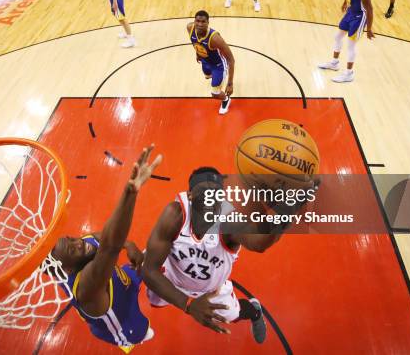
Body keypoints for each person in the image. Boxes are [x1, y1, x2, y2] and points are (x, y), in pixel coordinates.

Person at [143, 167, 288, 341]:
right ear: (190, 196)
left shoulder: (229, 221)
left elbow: (259, 243)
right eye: (203, 193)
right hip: (171, 279)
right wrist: (187, 304)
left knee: (234, 314)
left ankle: (255, 312)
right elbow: (150, 270)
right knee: (138, 267)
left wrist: (285, 209)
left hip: (211, 289)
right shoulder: (175, 214)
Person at [52, 145, 162, 352]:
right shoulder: (87, 288)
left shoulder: (81, 247)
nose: (80, 243)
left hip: (119, 280)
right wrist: (130, 192)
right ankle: (134, 339)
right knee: (144, 331)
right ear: (67, 269)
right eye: (73, 249)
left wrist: (128, 244)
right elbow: (110, 246)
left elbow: (100, 237)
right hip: (124, 323)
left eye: (72, 239)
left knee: (140, 268)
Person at [318, 0, 375, 83]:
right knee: (337, 37)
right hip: (350, 12)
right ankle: (334, 63)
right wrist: (345, 2)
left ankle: (349, 74)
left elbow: (370, 9)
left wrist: (369, 29)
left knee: (351, 45)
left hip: (359, 17)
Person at [187, 10, 235, 114]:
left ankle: (226, 99)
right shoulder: (190, 28)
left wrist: (230, 83)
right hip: (205, 60)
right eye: (197, 21)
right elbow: (195, 42)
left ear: (208, 22)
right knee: (207, 75)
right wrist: (198, 53)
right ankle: (216, 80)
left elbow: (231, 59)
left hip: (218, 65)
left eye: (203, 22)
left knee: (215, 94)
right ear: (194, 21)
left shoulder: (215, 38)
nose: (200, 24)